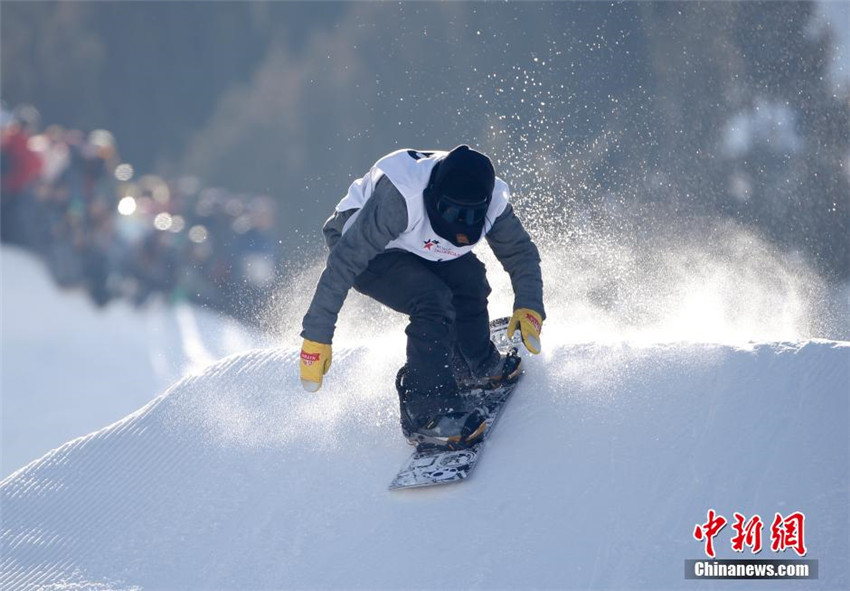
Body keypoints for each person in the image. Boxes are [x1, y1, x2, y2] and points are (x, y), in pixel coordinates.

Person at [300, 145, 545, 449]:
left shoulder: (494, 200)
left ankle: (472, 363)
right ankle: (427, 412)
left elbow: (520, 253)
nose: (461, 223)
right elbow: (343, 265)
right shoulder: (400, 198)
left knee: (470, 278)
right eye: (454, 213)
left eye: (471, 217)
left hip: (419, 241)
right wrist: (317, 337)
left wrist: (530, 305)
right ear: (434, 196)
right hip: (370, 247)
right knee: (432, 300)